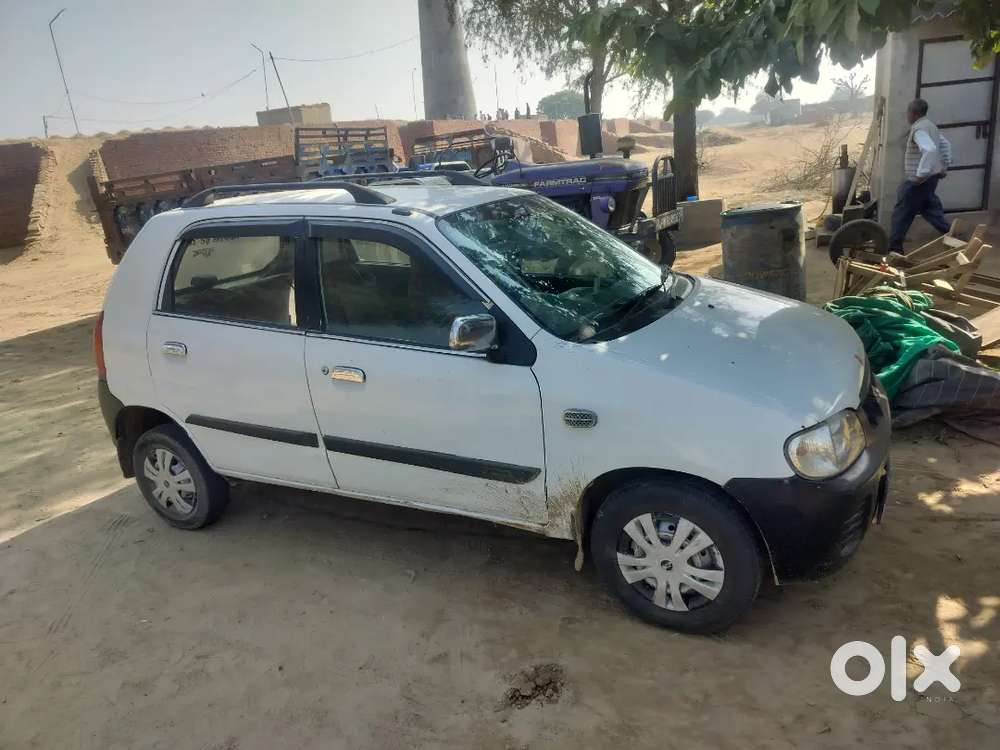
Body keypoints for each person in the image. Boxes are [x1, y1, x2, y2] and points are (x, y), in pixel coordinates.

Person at [888, 98, 953, 252]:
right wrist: (943, 166)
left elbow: (929, 149)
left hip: (919, 181)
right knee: (931, 211)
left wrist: (921, 174)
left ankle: (894, 250)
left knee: (901, 213)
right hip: (931, 180)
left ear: (914, 113)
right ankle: (958, 237)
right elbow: (945, 145)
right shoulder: (931, 126)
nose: (907, 116)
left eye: (908, 113)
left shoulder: (919, 130)